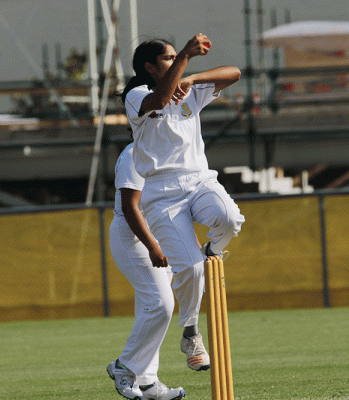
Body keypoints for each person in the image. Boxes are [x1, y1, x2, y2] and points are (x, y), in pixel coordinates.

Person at [116, 33, 244, 379]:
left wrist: (192, 77)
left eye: (175, 56)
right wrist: (187, 55)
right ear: (149, 67)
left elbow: (234, 73)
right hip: (161, 192)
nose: (175, 62)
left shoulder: (189, 89)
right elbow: (159, 99)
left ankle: (212, 248)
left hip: (199, 180)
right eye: (168, 59)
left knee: (230, 219)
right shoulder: (137, 96)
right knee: (190, 269)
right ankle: (190, 332)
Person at [106, 142, 186, 400]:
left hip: (159, 235)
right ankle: (124, 366)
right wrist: (153, 246)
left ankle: (148, 382)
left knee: (148, 306)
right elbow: (130, 207)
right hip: (132, 238)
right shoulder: (133, 154)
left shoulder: (168, 152)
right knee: (161, 304)